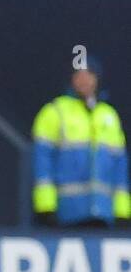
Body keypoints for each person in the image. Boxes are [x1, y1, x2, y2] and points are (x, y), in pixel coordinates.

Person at [32, 60, 129, 227]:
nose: (84, 80)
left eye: (89, 75)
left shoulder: (109, 115)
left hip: (104, 214)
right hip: (65, 213)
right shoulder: (55, 111)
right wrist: (45, 205)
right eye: (79, 75)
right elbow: (42, 162)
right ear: (72, 79)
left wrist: (122, 211)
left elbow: (120, 167)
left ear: (97, 79)